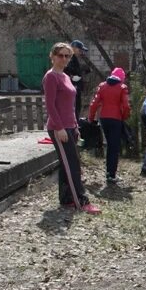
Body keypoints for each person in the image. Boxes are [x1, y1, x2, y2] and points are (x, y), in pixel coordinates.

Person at [43, 42, 100, 214]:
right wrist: (59, 128)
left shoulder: (65, 76)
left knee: (66, 164)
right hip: (58, 127)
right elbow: (50, 105)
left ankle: (66, 199)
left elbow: (70, 105)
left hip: (70, 126)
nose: (64, 59)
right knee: (73, 165)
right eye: (61, 55)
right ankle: (81, 201)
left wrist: (75, 126)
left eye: (68, 56)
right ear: (52, 56)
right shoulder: (51, 77)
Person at [88, 67, 130, 183]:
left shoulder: (102, 86)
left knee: (109, 145)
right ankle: (112, 174)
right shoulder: (122, 88)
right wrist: (125, 116)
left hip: (104, 118)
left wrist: (91, 118)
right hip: (116, 118)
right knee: (114, 146)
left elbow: (94, 103)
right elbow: (126, 106)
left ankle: (108, 171)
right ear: (121, 78)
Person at [64, 40, 90, 118]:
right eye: (80, 50)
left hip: (75, 87)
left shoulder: (74, 58)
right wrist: (71, 77)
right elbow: (66, 71)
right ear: (73, 48)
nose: (81, 52)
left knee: (77, 108)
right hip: (72, 87)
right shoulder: (69, 58)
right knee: (74, 109)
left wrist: (83, 72)